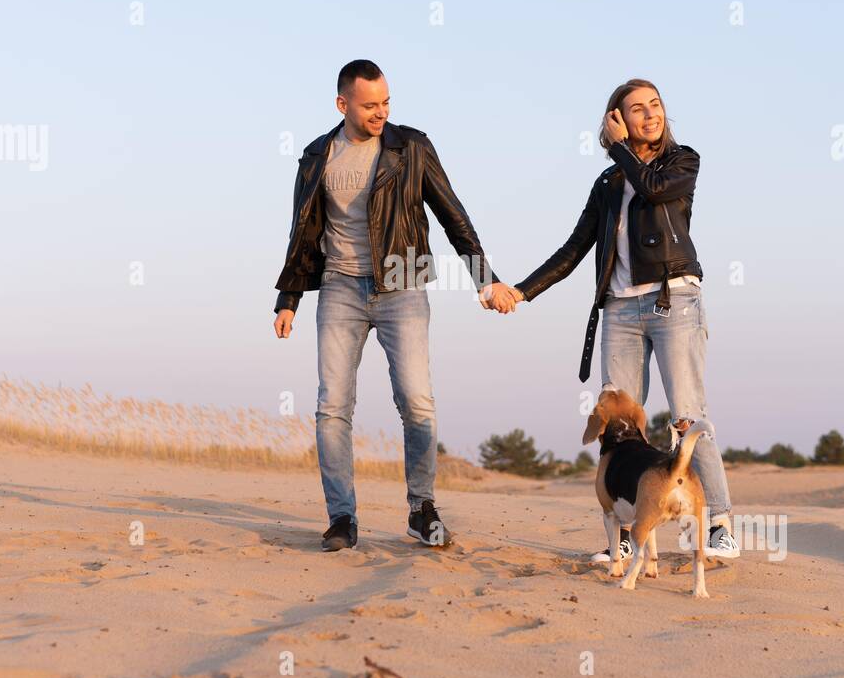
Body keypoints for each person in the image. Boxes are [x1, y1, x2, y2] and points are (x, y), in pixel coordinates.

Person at [482, 79, 740, 561]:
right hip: (619, 310)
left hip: (674, 301)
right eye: (636, 109)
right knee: (617, 424)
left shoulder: (681, 163)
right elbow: (574, 249)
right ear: (615, 119)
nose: (650, 115)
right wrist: (521, 290)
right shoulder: (607, 184)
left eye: (656, 106)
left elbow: (655, 188)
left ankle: (720, 522)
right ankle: (625, 531)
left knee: (686, 417)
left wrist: (621, 149)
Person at [272, 59, 515, 552]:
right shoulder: (317, 156)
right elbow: (304, 232)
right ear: (343, 105)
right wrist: (289, 298)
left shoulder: (411, 148)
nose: (380, 112)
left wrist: (484, 280)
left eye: (386, 102)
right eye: (369, 105)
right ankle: (342, 519)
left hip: (402, 284)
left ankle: (421, 509)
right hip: (340, 285)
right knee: (332, 407)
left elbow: (453, 214)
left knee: (416, 400)